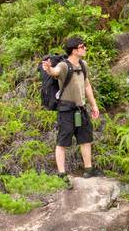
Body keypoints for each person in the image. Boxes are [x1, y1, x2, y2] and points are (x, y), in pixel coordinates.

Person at [41, 37, 101, 179]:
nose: (85, 48)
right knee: (62, 141)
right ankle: (61, 174)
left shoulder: (83, 64)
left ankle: (89, 169)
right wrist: (48, 68)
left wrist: (94, 105)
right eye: (82, 46)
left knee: (85, 139)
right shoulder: (63, 66)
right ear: (74, 50)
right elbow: (54, 72)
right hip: (66, 110)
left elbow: (86, 85)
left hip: (81, 109)